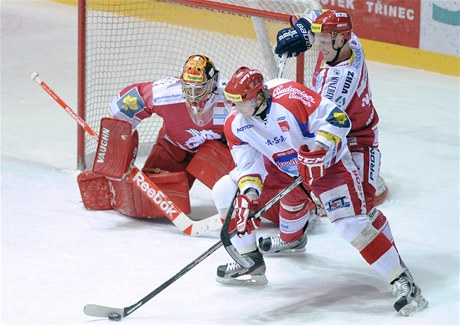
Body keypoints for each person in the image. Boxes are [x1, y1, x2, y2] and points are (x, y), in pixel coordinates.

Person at [215, 66, 428, 316]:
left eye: (241, 103)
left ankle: (402, 281)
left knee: (351, 224)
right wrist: (248, 197)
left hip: (328, 166)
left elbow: (338, 118)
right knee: (225, 191)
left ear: (258, 96)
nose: (235, 110)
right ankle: (250, 261)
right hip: (283, 169)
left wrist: (318, 150)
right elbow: (249, 165)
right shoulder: (236, 124)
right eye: (233, 103)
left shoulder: (291, 96)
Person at [260, 9, 390, 253]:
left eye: (323, 41)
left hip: (356, 139)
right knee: (294, 183)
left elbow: (324, 126)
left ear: (339, 39)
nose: (318, 47)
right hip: (333, 125)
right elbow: (318, 12)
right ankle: (292, 239)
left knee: (360, 209)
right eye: (318, 40)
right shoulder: (350, 41)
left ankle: (395, 265)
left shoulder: (340, 81)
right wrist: (303, 27)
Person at [76, 54, 235, 219]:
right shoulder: (165, 93)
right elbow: (122, 107)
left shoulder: (230, 97)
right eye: (188, 87)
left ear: (213, 83)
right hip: (173, 148)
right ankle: (113, 190)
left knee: (241, 192)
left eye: (200, 88)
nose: (193, 94)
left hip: (218, 150)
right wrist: (117, 143)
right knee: (151, 203)